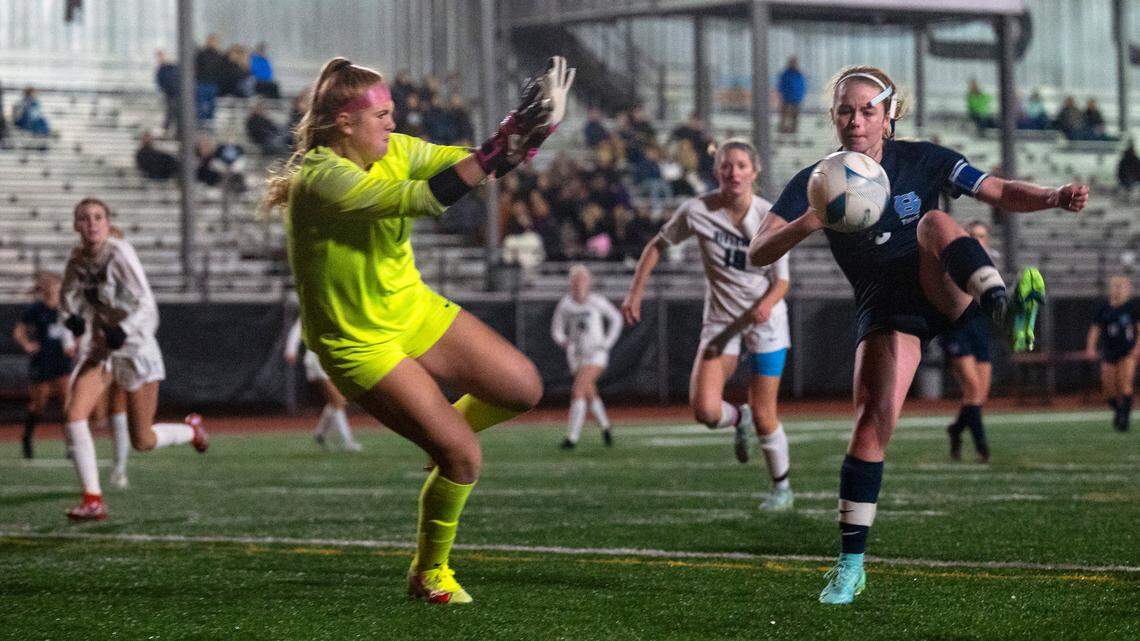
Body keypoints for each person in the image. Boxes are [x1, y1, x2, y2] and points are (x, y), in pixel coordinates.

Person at [749, 65, 1088, 605]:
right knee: (869, 428)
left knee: (933, 224)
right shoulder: (817, 180)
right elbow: (756, 252)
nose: (855, 120)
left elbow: (995, 189)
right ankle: (851, 564)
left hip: (941, 281)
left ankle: (999, 306)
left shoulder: (922, 159)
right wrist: (806, 222)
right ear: (833, 117)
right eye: (845, 110)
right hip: (885, 307)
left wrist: (1052, 196)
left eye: (866, 110)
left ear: (889, 116)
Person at [260, 56, 574, 604]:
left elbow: (481, 166)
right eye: (380, 115)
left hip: (410, 307)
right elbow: (425, 199)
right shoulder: (322, 178)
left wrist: (537, 128)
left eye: (391, 112)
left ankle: (443, 432)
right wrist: (504, 144)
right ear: (344, 124)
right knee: (463, 458)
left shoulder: (397, 149)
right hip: (358, 340)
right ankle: (429, 572)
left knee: (523, 386)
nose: (391, 122)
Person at [623, 139, 796, 511]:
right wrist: (635, 292)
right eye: (726, 166)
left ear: (755, 172)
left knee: (767, 415)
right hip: (720, 322)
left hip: (765, 324)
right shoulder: (697, 210)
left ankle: (781, 488)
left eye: (740, 166)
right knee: (705, 410)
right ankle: (739, 418)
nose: (733, 173)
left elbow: (782, 282)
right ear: (716, 171)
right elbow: (657, 245)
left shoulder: (770, 216)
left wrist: (765, 306)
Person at [60, 198, 209, 521]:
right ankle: (93, 499)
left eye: (98, 217)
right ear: (76, 225)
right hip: (102, 348)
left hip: (136, 348)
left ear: (107, 222)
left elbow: (147, 306)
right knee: (74, 415)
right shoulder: (77, 259)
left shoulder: (118, 254)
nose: (91, 223)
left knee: (142, 440)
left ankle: (192, 430)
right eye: (84, 218)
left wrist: (123, 330)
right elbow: (67, 296)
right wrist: (71, 318)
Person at [941, 221, 999, 463]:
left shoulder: (991, 264)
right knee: (973, 388)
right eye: (973, 235)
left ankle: (956, 429)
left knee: (979, 396)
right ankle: (982, 448)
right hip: (956, 327)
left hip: (979, 328)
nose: (978, 240)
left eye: (982, 236)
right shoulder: (955, 261)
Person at [551, 265, 622, 449]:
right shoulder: (566, 304)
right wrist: (563, 341)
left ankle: (571, 439)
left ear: (588, 282)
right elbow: (557, 329)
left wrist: (607, 343)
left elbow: (616, 319)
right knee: (589, 393)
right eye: (575, 279)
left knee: (578, 391)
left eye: (582, 279)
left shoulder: (597, 301)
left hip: (596, 354)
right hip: (576, 355)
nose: (579, 283)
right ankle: (606, 427)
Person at [12, 272, 75, 459]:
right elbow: (19, 331)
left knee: (67, 404)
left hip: (62, 360)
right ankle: (27, 438)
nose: (51, 287)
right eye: (47, 284)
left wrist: (75, 345)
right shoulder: (36, 309)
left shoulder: (66, 308)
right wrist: (27, 344)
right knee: (39, 405)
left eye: (54, 283)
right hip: (42, 361)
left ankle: (71, 445)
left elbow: (77, 329)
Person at [285, 317, 362, 451]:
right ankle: (347, 442)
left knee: (336, 401)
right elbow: (299, 326)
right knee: (338, 401)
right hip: (317, 360)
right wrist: (291, 350)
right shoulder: (317, 304)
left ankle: (320, 434)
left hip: (329, 359)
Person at [1085, 276, 1137, 432]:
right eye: (1115, 286)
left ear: (1128, 289)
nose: (1118, 289)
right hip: (1109, 351)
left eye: (1121, 286)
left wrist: (1137, 347)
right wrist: (1091, 347)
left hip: (1127, 351)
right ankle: (1118, 411)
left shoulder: (1132, 307)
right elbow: (1095, 329)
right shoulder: (1104, 308)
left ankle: (1124, 418)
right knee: (1108, 387)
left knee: (1125, 383)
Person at [777, 57, 806, 134]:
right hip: (786, 97)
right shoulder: (785, 74)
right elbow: (781, 85)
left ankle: (794, 130)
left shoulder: (799, 74)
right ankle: (782, 129)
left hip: (796, 98)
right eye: (792, 62)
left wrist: (800, 96)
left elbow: (802, 86)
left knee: (795, 116)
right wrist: (783, 94)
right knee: (784, 115)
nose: (793, 64)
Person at [154, 50, 180, 133]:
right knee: (170, 111)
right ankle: (168, 129)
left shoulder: (173, 68)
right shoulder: (161, 69)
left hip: (175, 93)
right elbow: (159, 82)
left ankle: (171, 129)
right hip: (169, 93)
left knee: (173, 111)